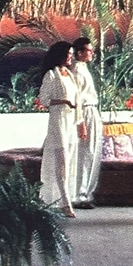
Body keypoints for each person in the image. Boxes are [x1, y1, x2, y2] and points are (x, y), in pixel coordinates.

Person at [38, 41, 80, 216]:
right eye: (68, 54)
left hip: (70, 122)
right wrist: (64, 102)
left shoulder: (69, 75)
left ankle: (64, 199)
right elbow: (43, 99)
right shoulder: (51, 75)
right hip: (58, 122)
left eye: (72, 54)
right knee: (61, 162)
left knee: (69, 162)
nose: (71, 57)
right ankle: (65, 202)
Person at [70, 36, 101, 208]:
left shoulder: (83, 68)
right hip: (85, 112)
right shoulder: (77, 70)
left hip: (91, 110)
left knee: (91, 151)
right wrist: (80, 122)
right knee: (85, 151)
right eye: (89, 50)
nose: (92, 53)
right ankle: (79, 194)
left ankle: (86, 193)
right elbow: (77, 98)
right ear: (80, 53)